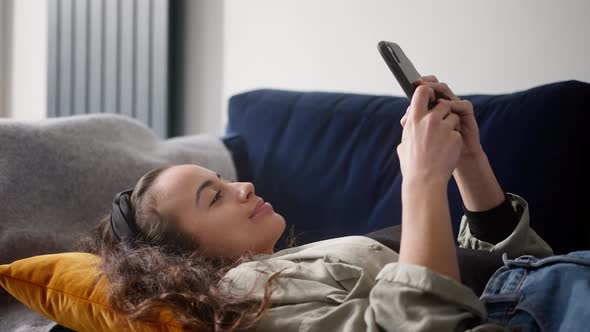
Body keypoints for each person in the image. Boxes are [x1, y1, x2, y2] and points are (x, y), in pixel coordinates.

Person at [79, 76, 589, 331]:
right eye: (214, 197)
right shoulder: (244, 299)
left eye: (221, 178)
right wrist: (422, 180)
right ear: (185, 259)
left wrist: (468, 162)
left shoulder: (286, 266)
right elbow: (426, 323)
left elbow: (495, 269)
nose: (244, 187)